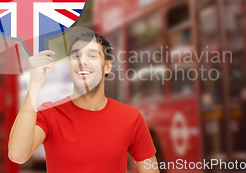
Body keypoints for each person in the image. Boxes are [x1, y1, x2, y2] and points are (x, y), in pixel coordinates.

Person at [8, 32, 160, 172]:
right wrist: (35, 84)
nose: (82, 62)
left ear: (107, 66)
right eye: (76, 56)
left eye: (92, 56)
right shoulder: (49, 113)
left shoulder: (131, 117)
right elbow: (17, 155)